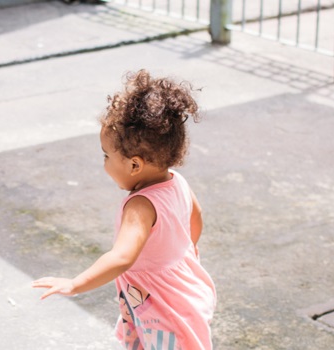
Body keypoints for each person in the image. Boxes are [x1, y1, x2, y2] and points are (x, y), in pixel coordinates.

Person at [32, 70, 216, 349]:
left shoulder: (141, 206)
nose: (104, 162)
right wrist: (184, 251)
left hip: (162, 303)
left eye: (107, 155)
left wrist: (75, 284)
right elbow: (196, 216)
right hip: (178, 284)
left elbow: (121, 257)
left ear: (134, 165)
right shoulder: (177, 181)